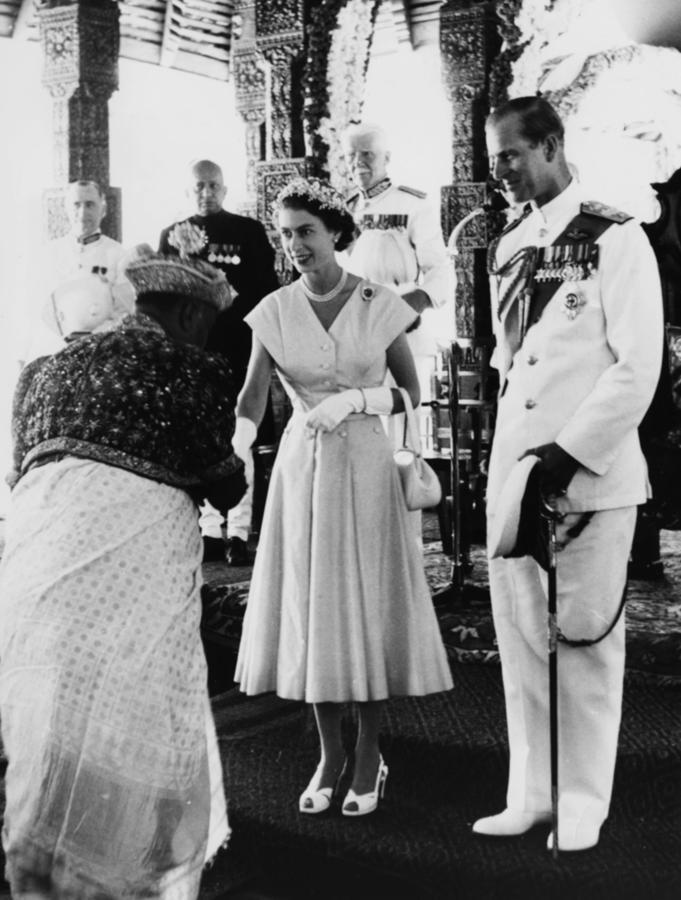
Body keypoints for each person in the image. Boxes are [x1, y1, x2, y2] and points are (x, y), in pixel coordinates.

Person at [0, 248, 247, 899]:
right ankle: (129, 866)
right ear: (192, 315)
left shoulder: (42, 370)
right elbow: (224, 483)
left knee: (45, 699)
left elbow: (16, 468)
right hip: (129, 555)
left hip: (36, 546)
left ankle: (38, 862)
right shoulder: (191, 367)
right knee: (136, 699)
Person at [474, 96, 663, 851]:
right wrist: (514, 462)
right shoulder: (507, 246)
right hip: (518, 470)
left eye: (509, 155)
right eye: (493, 158)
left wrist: (566, 454)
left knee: (582, 640)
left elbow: (635, 366)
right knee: (520, 638)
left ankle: (583, 802)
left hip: (589, 473)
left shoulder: (615, 239)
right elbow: (508, 366)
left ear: (550, 145)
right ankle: (532, 792)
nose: (499, 172)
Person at [233, 177, 453, 817]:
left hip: (365, 463)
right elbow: (253, 394)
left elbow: (411, 394)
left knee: (364, 607)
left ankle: (368, 754)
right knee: (315, 608)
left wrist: (355, 399)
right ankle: (329, 754)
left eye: (306, 231)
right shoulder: (272, 309)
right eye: (286, 235)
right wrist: (238, 446)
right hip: (304, 470)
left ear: (335, 233)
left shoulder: (377, 301)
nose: (296, 245)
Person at [159, 159, 280, 565]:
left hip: (241, 349)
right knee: (202, 437)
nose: (206, 193)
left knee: (241, 437)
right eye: (199, 187)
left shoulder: (247, 232)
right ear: (188, 191)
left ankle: (240, 531)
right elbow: (165, 299)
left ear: (225, 190)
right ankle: (210, 529)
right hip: (195, 353)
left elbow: (267, 291)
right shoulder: (172, 235)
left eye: (213, 186)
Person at [341, 122, 454, 415]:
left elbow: (440, 272)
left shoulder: (412, 204)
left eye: (367, 154)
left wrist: (411, 307)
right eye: (351, 155)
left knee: (402, 431)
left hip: (401, 327)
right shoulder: (344, 209)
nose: (358, 162)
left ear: (386, 158)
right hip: (355, 332)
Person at [25, 179, 134, 362]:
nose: (83, 213)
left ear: (103, 209)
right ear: (66, 210)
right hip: (53, 348)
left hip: (98, 350)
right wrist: (62, 338)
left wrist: (91, 338)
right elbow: (36, 306)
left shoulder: (118, 254)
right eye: (76, 205)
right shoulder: (48, 254)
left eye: (90, 205)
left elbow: (124, 311)